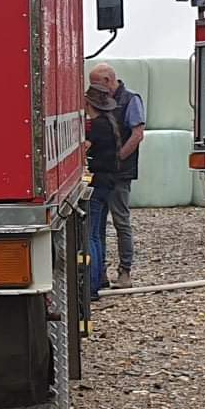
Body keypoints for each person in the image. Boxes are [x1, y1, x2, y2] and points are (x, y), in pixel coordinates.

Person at [88, 63, 144, 288]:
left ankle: (125, 271)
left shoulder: (131, 100)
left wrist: (116, 158)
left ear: (107, 80)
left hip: (120, 172)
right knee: (98, 225)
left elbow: (137, 134)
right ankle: (99, 272)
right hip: (106, 172)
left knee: (121, 221)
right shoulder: (104, 102)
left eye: (95, 83)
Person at [83, 85, 124, 301]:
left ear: (89, 104)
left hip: (97, 182)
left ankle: (91, 286)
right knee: (98, 234)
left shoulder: (97, 126)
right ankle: (99, 279)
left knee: (91, 235)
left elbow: (84, 148)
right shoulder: (110, 123)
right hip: (108, 182)